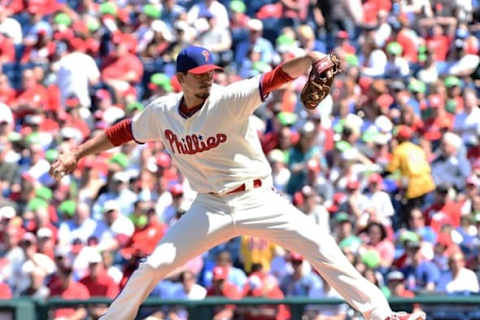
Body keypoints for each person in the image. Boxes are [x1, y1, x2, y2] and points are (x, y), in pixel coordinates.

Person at [50, 45, 425, 320]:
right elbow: (122, 132)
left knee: (321, 245)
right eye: (199, 77)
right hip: (208, 206)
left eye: (211, 73)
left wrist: (311, 59)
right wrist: (76, 154)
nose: (208, 80)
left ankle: (382, 315)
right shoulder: (162, 111)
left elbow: (280, 74)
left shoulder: (228, 99)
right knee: (155, 264)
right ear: (180, 79)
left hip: (257, 198)